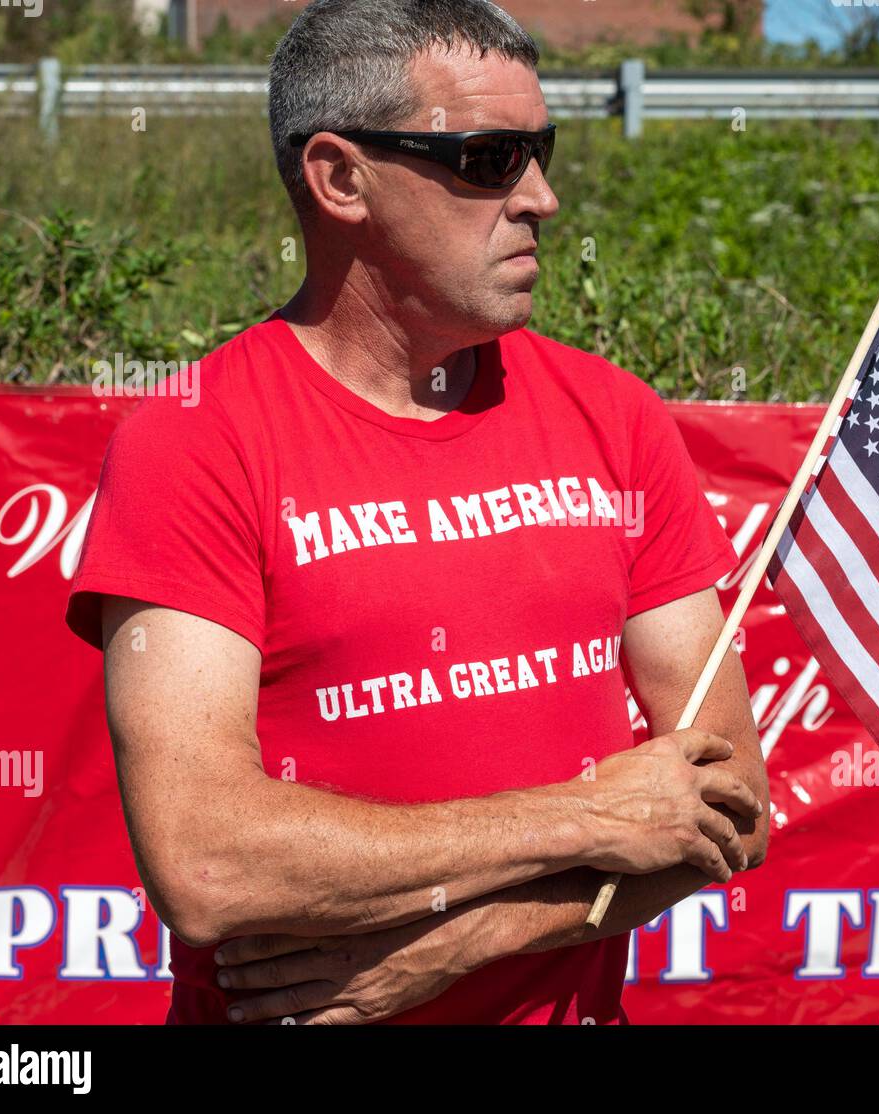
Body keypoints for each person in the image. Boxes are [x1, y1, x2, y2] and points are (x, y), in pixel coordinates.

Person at [66, 0, 768, 1025]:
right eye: (490, 158)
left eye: (541, 149)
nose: (542, 196)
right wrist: (589, 815)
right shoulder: (194, 439)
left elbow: (730, 804)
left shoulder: (613, 417)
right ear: (340, 178)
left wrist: (463, 937)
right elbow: (204, 858)